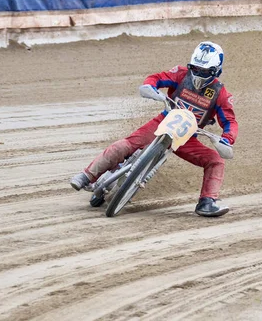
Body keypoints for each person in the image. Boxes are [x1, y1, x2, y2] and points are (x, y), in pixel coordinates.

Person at [70, 41, 238, 217]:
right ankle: (86, 176)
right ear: (191, 65)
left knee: (215, 160)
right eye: (195, 69)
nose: (199, 73)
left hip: (187, 137)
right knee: (125, 145)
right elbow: (156, 78)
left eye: (205, 71)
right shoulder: (181, 74)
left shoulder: (221, 94)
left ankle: (207, 202)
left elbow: (230, 122)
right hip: (163, 122)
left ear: (216, 70)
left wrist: (227, 139)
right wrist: (151, 88)